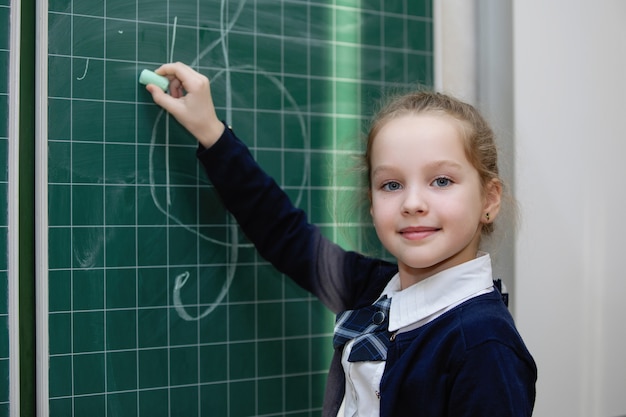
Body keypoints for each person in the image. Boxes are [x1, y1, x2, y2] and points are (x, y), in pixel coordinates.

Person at [146, 62, 537, 417]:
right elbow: (283, 232)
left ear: (489, 199)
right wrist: (211, 132)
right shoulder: (373, 289)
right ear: (371, 203)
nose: (413, 203)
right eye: (391, 184)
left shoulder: (485, 346)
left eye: (441, 181)